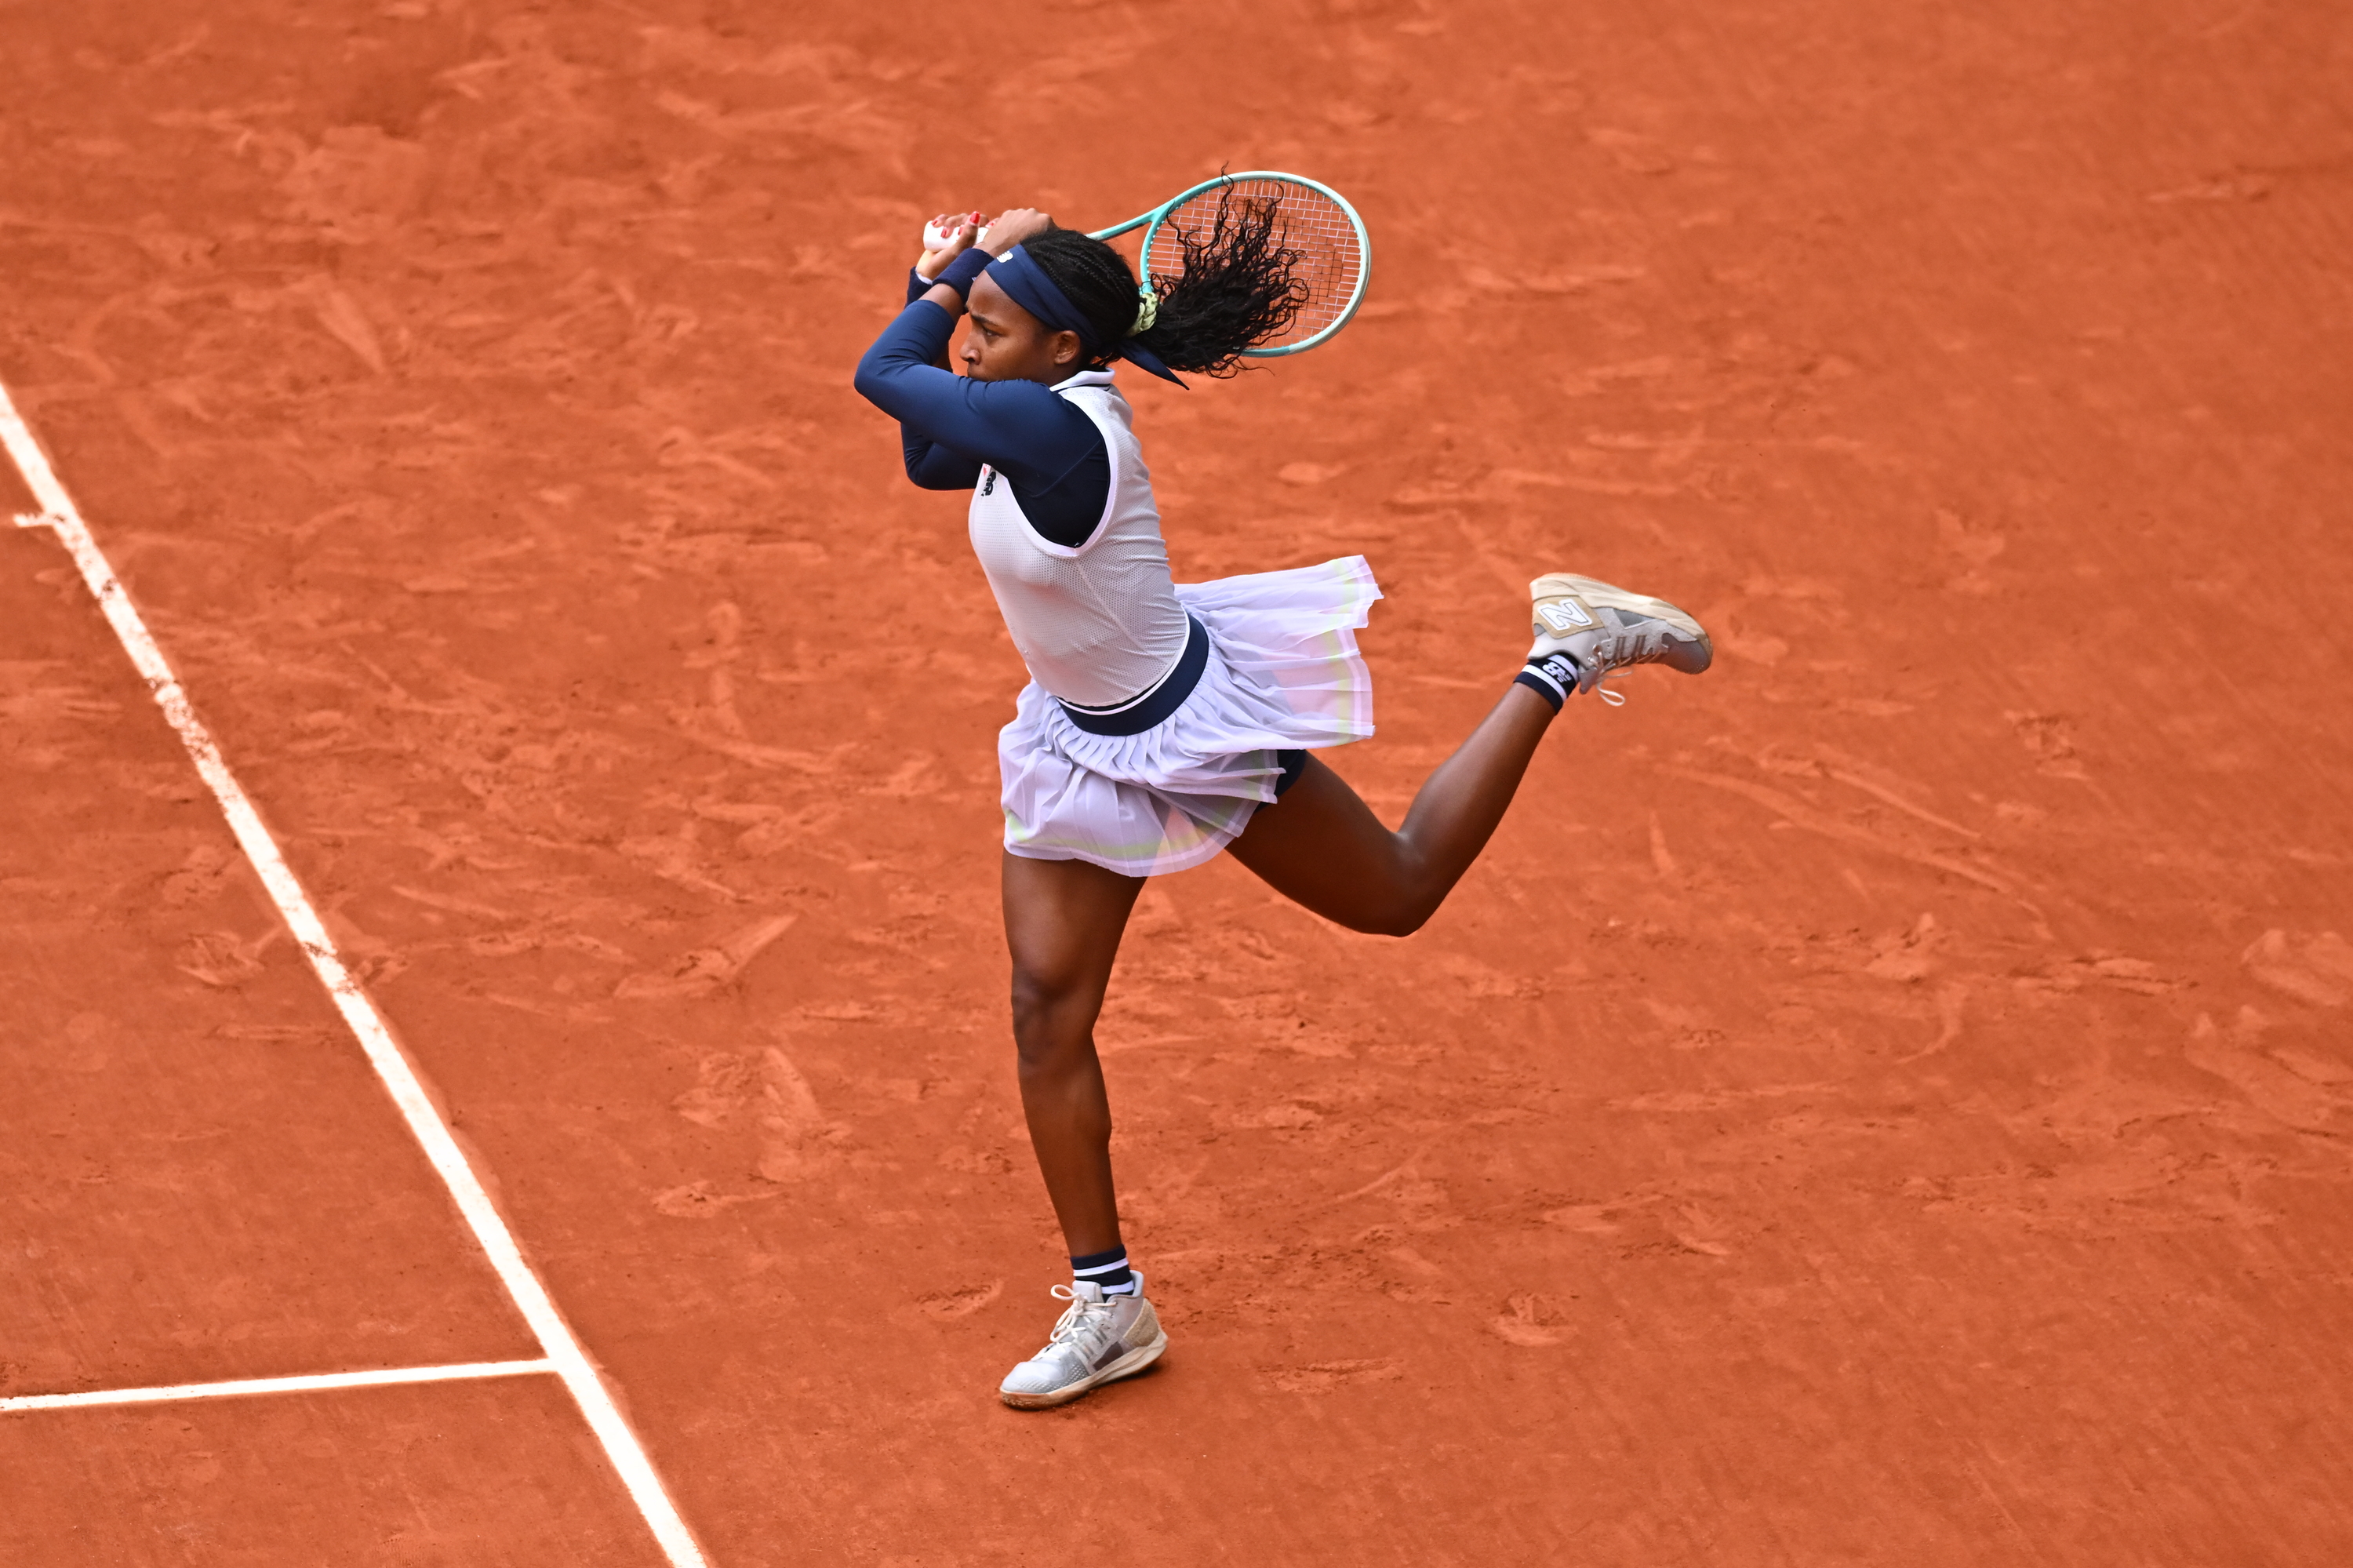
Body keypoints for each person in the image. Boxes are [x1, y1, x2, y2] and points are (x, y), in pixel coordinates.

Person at [852, 194, 1712, 1409]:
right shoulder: (1015, 413)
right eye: (969, 327)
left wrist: (951, 270)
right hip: (1079, 740)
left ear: (1060, 354)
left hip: (1184, 734)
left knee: (1399, 894)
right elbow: (921, 443)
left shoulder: (1060, 438)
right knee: (1047, 1009)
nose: (963, 345)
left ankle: (1569, 650)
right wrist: (942, 277)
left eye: (986, 327)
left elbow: (876, 375)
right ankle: (1111, 1307)